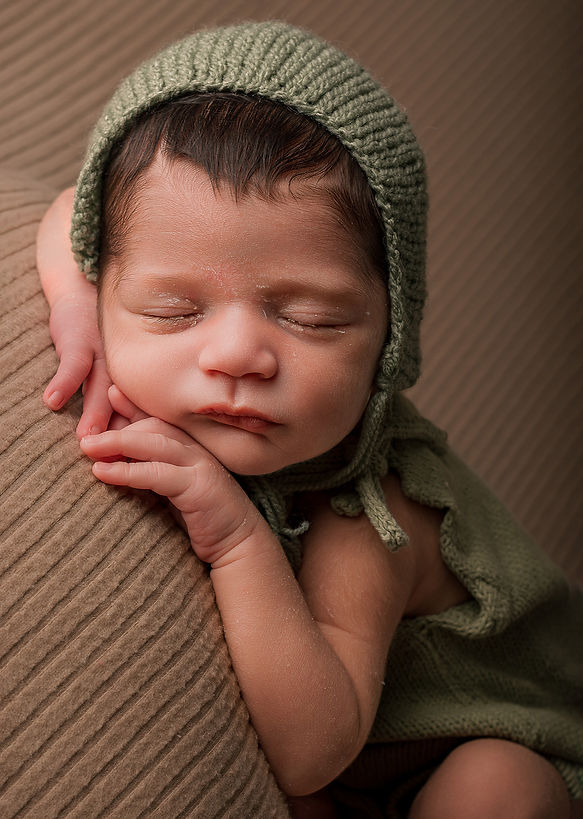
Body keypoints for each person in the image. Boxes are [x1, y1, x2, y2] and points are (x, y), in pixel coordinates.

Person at [36, 21, 583, 818]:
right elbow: (68, 211)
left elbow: (310, 748)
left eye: (311, 320)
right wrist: (73, 301)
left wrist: (234, 538)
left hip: (474, 742)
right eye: (173, 307)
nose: (236, 355)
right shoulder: (110, 276)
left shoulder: (369, 511)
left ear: (389, 338)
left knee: (497, 780)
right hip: (357, 775)